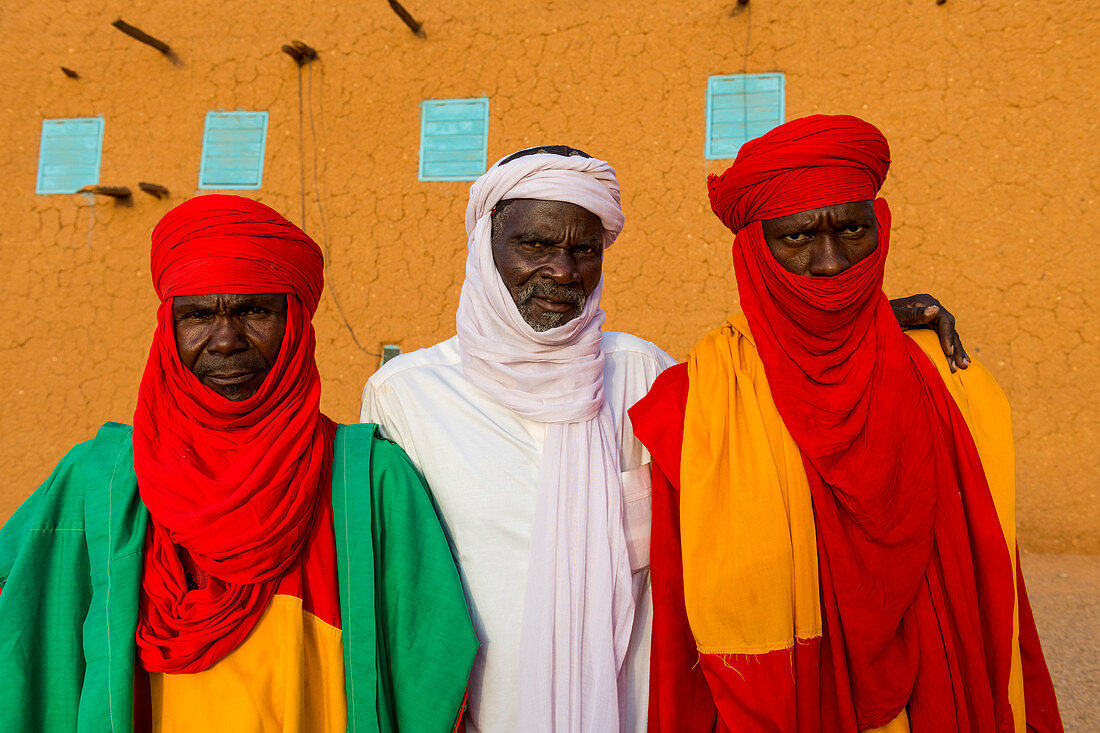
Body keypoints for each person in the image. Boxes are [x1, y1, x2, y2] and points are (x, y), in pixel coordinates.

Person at [361, 145, 967, 732]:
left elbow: (767, 394)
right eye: (535, 245)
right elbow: (392, 579)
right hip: (488, 708)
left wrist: (862, 317)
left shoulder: (643, 374)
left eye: (585, 250)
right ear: (484, 247)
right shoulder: (407, 394)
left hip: (634, 704)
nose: (563, 271)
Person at [629, 115, 1063, 732]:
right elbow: (676, 631)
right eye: (798, 237)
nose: (830, 263)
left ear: (879, 229)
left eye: (852, 230)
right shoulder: (695, 404)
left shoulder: (945, 380)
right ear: (755, 248)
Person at [0, 195, 476, 732]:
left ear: (295, 322)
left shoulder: (369, 482)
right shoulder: (99, 482)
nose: (225, 341)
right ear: (167, 329)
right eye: (198, 315)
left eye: (253, 311)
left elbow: (434, 659)